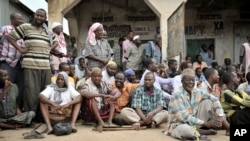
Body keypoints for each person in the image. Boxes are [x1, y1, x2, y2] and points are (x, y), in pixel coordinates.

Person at [6, 9, 58, 119]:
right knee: (31, 92)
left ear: (45, 18)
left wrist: (50, 48)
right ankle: (31, 117)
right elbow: (10, 37)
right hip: (31, 65)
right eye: (37, 15)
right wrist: (20, 49)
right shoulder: (25, 27)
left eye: (42, 16)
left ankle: (42, 116)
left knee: (46, 92)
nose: (39, 18)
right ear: (34, 16)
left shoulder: (47, 32)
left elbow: (56, 42)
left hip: (45, 66)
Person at [164, 68, 229, 140]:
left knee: (208, 101)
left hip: (194, 122)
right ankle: (199, 132)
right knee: (186, 131)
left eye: (192, 80)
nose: (191, 82)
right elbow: (183, 117)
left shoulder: (197, 91)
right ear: (182, 82)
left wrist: (220, 116)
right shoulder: (177, 94)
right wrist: (205, 123)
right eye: (188, 80)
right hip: (178, 124)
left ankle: (199, 130)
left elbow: (215, 99)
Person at [0, 13, 24, 109]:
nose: (21, 21)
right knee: (7, 85)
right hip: (7, 63)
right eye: (19, 19)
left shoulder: (22, 32)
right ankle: (6, 110)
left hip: (20, 64)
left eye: (22, 19)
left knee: (19, 88)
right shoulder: (5, 29)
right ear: (12, 19)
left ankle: (16, 109)